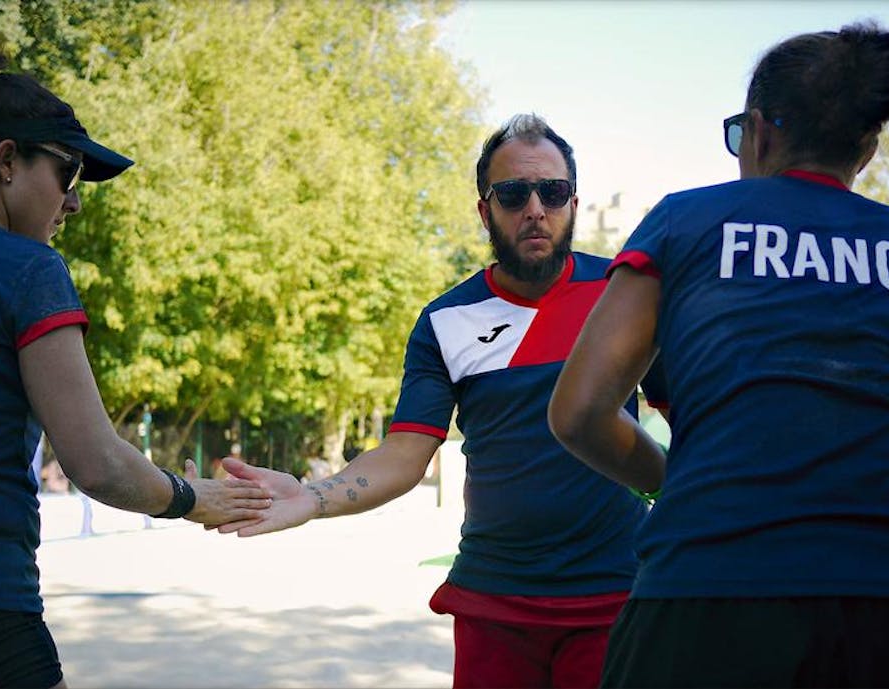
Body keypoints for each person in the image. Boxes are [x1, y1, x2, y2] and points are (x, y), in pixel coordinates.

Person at [548, 22, 889, 688]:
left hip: (704, 594)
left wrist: (667, 479)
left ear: (762, 132)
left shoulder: (685, 223)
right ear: (867, 149)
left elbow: (579, 411)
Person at [0, 28, 270, 688]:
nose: (75, 197)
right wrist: (191, 496)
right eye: (68, 171)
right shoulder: (28, 271)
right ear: (7, 160)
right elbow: (96, 463)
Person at [220, 114, 661, 689]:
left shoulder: (626, 294)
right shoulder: (445, 320)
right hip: (494, 602)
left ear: (573, 203)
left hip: (618, 595)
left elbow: (696, 414)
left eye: (551, 192)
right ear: (485, 210)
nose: (534, 208)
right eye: (512, 193)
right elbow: (406, 454)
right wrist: (313, 496)